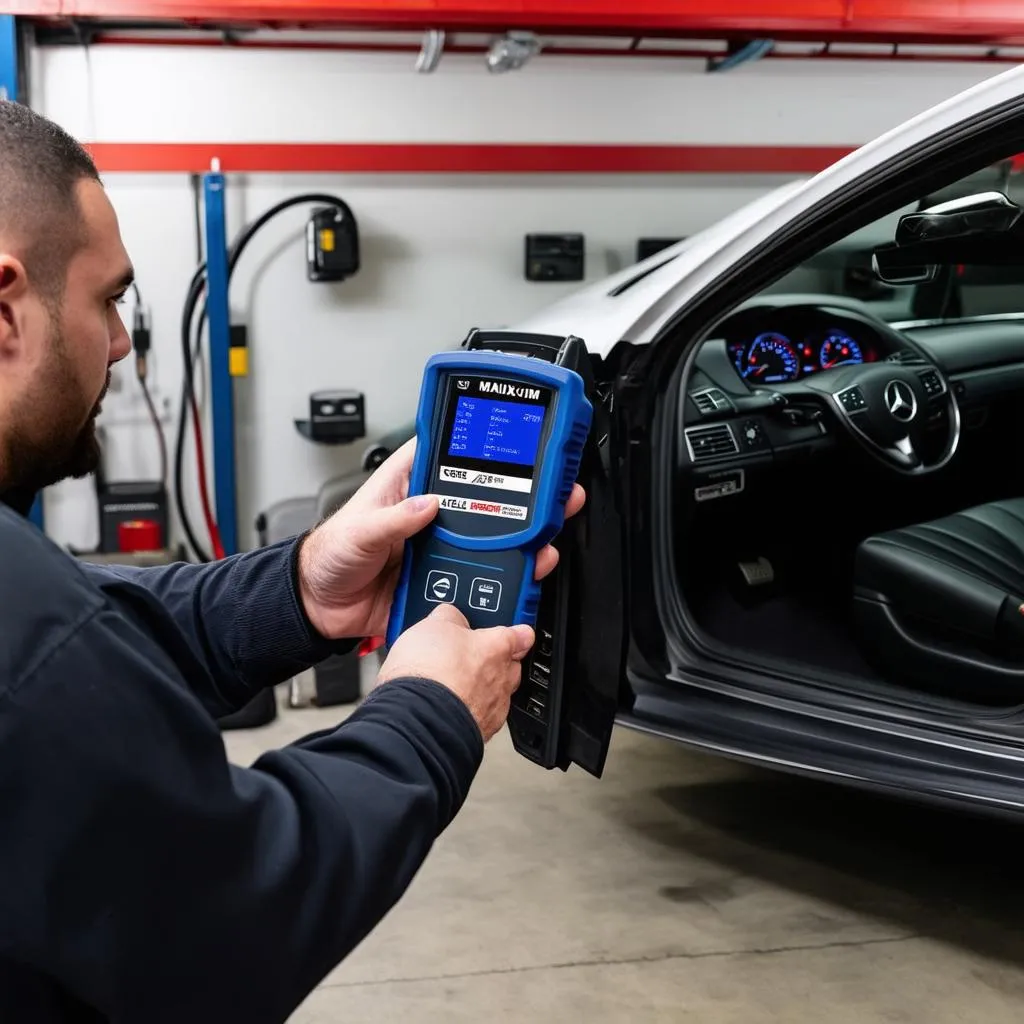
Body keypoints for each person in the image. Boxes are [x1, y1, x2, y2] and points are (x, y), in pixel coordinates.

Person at [0, 100, 585, 1023]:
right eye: (108, 299)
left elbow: (93, 634)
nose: (119, 342)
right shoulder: (23, 626)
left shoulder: (38, 621)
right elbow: (228, 917)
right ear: (4, 308)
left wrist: (300, 590)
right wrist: (428, 714)